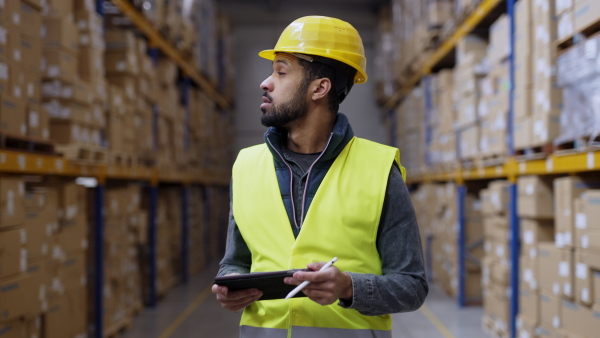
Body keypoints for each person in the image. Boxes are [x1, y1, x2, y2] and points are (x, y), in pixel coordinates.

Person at [212, 15, 428, 338]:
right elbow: (234, 263)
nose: (266, 83)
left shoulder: (380, 169)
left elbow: (412, 285)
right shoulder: (246, 166)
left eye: (281, 72)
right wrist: (231, 286)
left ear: (320, 88)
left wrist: (348, 287)